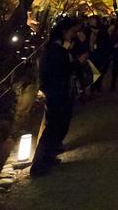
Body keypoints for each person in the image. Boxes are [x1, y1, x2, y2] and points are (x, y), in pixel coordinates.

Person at [31, 17, 79, 177]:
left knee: (58, 125)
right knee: (53, 127)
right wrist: (77, 62)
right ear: (64, 32)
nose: (74, 34)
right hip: (57, 92)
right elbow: (61, 70)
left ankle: (48, 156)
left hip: (58, 91)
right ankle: (38, 164)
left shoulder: (56, 48)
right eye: (72, 31)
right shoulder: (54, 50)